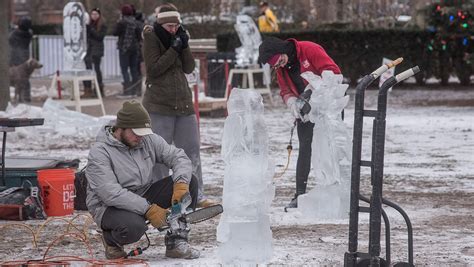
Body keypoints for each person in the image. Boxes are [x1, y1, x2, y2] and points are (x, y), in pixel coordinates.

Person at [85, 100, 200, 260]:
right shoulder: (100, 152)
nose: (140, 137)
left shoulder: (147, 139)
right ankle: (112, 241)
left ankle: (176, 241)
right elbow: (109, 193)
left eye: (143, 132)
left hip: (143, 193)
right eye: (136, 132)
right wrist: (148, 209)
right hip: (109, 206)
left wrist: (180, 185)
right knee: (133, 227)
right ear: (121, 128)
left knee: (190, 182)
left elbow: (177, 156)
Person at [141, 4, 214, 208]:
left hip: (183, 103)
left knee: (191, 150)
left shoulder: (180, 37)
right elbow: (154, 69)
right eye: (169, 26)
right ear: (161, 24)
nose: (173, 29)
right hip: (159, 104)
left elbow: (189, 66)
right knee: (159, 154)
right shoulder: (151, 37)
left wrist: (184, 45)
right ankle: (159, 197)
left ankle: (196, 193)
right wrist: (174, 48)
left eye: (176, 25)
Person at [257, 37, 341, 209]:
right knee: (304, 147)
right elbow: (285, 90)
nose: (279, 65)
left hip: (327, 106)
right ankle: (300, 193)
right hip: (306, 111)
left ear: (283, 50)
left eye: (280, 60)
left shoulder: (309, 49)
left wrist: (311, 90)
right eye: (276, 65)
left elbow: (333, 72)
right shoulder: (282, 69)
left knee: (331, 148)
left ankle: (336, 191)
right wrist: (292, 104)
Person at [113, 4, 141, 98]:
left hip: (124, 48)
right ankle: (135, 90)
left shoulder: (121, 22)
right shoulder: (136, 22)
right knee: (134, 70)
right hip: (135, 49)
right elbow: (139, 36)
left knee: (124, 70)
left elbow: (115, 33)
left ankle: (127, 91)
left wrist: (117, 21)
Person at [83, 8, 107, 98]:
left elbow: (100, 37)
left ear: (99, 15)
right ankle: (87, 88)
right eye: (92, 14)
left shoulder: (102, 25)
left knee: (96, 69)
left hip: (97, 49)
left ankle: (99, 89)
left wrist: (91, 30)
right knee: (87, 68)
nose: (94, 16)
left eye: (96, 14)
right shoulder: (89, 24)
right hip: (89, 49)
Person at [9, 17, 33, 102]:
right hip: (24, 59)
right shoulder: (29, 34)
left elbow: (10, 36)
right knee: (25, 79)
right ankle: (26, 96)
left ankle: (17, 96)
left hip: (15, 58)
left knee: (13, 77)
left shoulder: (15, 34)